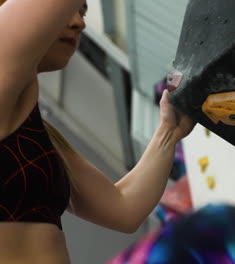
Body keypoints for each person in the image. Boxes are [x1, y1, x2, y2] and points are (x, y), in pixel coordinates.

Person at [0, 0, 195, 263]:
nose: (79, 22)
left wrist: (168, 132)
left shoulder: (36, 136)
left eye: (83, 11)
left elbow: (124, 207)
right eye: (70, 10)